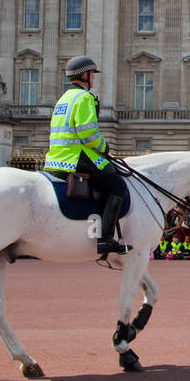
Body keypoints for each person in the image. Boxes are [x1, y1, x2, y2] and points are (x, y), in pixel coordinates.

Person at [44, 55, 130, 257]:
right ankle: (106, 239)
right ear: (85, 75)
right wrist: (105, 148)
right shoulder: (84, 98)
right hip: (76, 157)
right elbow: (88, 133)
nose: (94, 79)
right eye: (93, 75)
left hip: (55, 158)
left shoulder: (63, 99)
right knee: (117, 186)